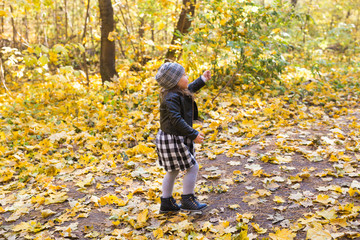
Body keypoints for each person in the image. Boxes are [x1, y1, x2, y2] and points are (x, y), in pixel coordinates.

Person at [155, 62, 211, 213]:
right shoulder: (171, 98)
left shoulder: (178, 91)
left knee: (173, 170)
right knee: (192, 167)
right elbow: (176, 120)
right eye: (184, 75)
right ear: (175, 81)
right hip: (173, 138)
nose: (187, 77)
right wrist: (193, 135)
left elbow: (191, 88)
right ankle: (187, 199)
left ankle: (166, 203)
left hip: (172, 136)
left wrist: (202, 79)